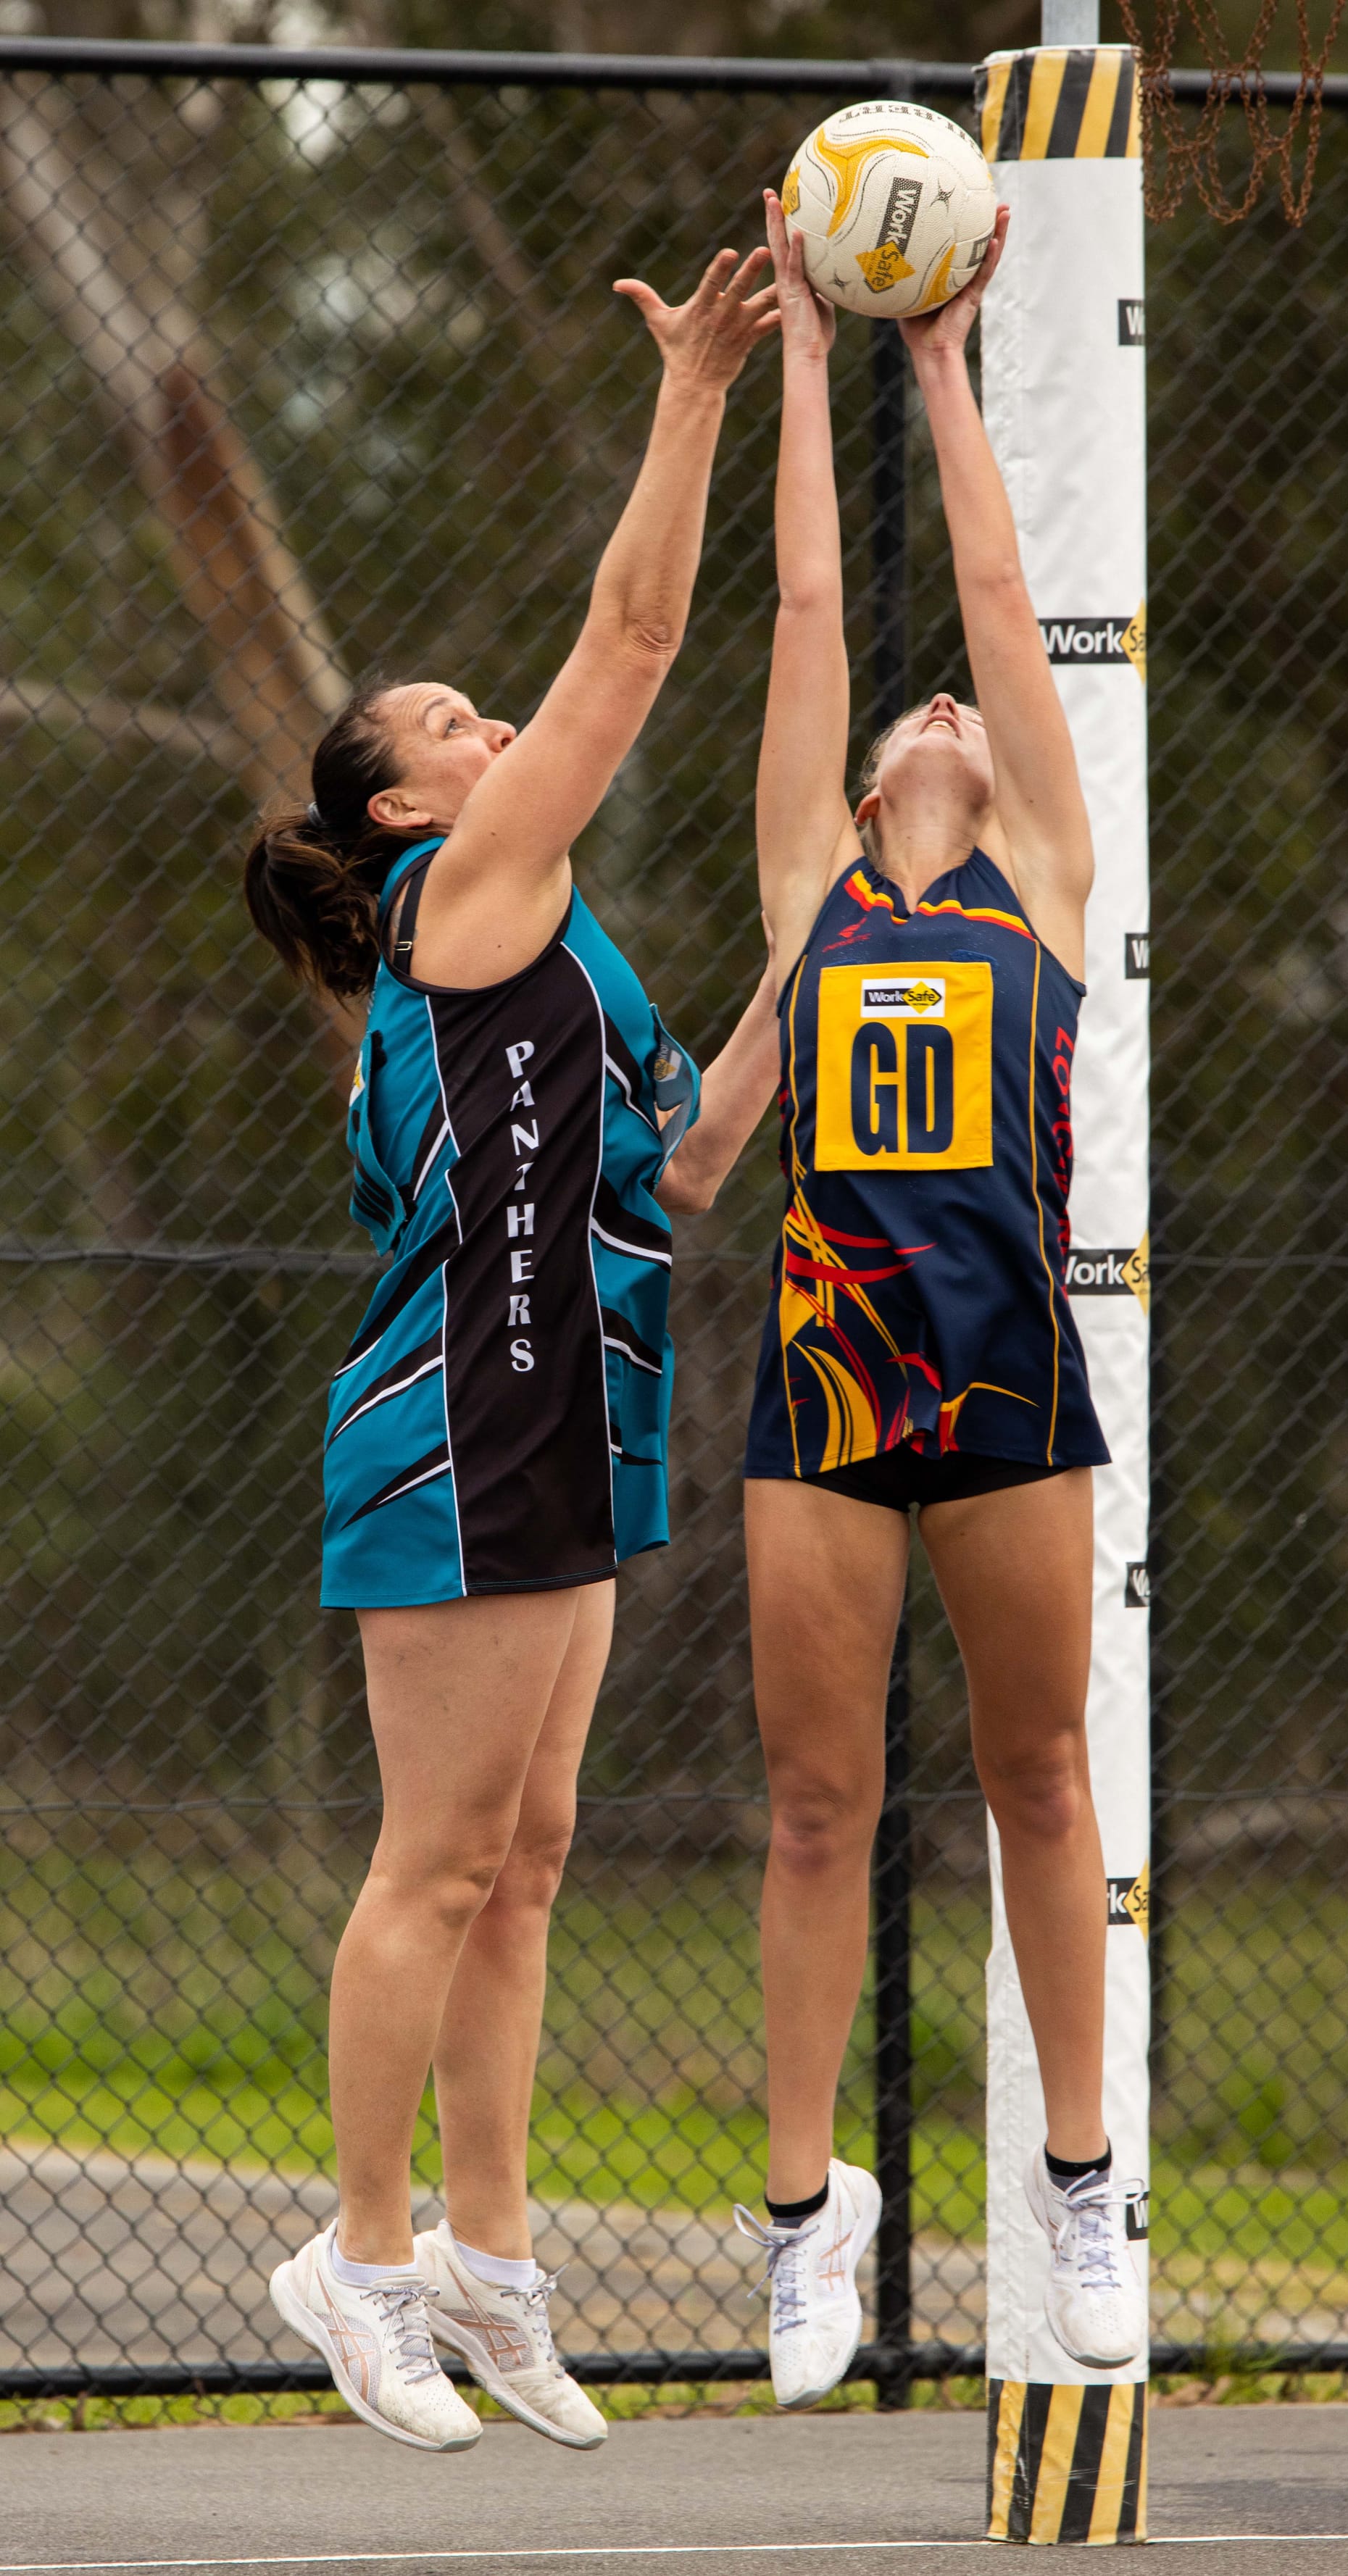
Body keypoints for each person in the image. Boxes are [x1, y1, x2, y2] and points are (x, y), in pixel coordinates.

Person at [244, 246, 781, 2454]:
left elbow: (686, 1168)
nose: (496, 733)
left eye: (492, 711)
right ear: (400, 815)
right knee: (435, 1859)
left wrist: (805, 959)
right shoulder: (454, 913)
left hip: (571, 1421)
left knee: (530, 1851)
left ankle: (484, 2250)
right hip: (452, 1433)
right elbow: (640, 636)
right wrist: (700, 395)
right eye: (457, 727)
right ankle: (353, 2257)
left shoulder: (565, 949)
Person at [731, 193, 1147, 2409]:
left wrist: (941, 367)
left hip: (1009, 1388)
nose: (932, 701)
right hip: (826, 1389)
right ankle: (807, 2224)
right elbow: (818, 597)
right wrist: (804, 351)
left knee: (1039, 1774)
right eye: (912, 714)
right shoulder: (812, 883)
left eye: (959, 709)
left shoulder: (1047, 886)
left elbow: (994, 598)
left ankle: (1083, 2183)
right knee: (816, 1806)